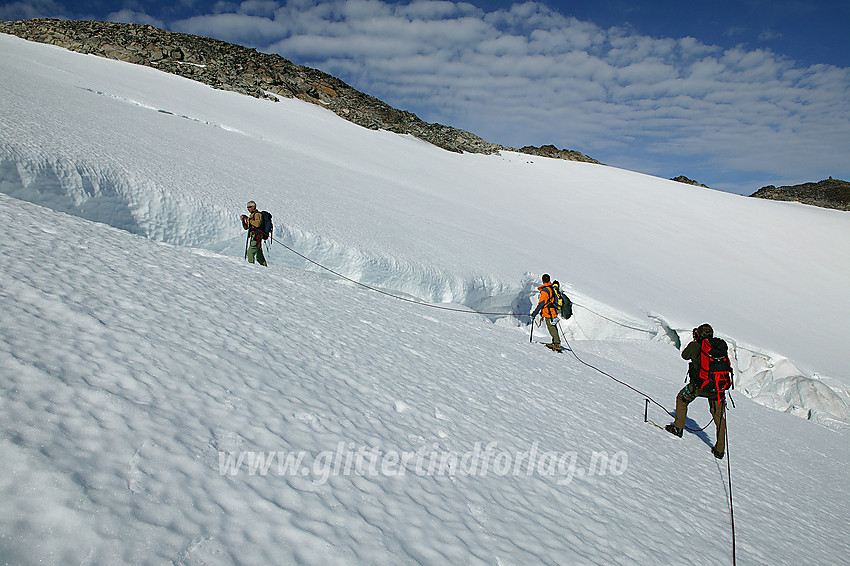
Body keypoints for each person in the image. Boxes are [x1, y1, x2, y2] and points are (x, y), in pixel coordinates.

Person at [665, 323, 728, 459]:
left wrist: (695, 343)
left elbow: (685, 356)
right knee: (719, 417)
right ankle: (720, 449)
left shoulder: (696, 346)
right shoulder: (718, 347)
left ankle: (678, 427)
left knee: (682, 399)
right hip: (717, 388)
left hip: (699, 386)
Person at [531, 273, 562, 353]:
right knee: (553, 327)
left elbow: (542, 303)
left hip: (549, 312)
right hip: (552, 311)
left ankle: (557, 344)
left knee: (551, 327)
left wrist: (535, 313)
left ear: (542, 280)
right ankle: (555, 342)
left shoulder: (545, 290)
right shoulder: (551, 288)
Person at [241, 200, 267, 266]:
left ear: (253, 207)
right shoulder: (252, 216)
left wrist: (248, 219)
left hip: (256, 236)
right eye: (247, 207)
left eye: (249, 207)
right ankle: (265, 267)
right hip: (255, 236)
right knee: (259, 255)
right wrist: (243, 221)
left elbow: (257, 224)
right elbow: (247, 227)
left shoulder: (258, 214)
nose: (248, 209)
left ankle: (251, 268)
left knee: (250, 253)